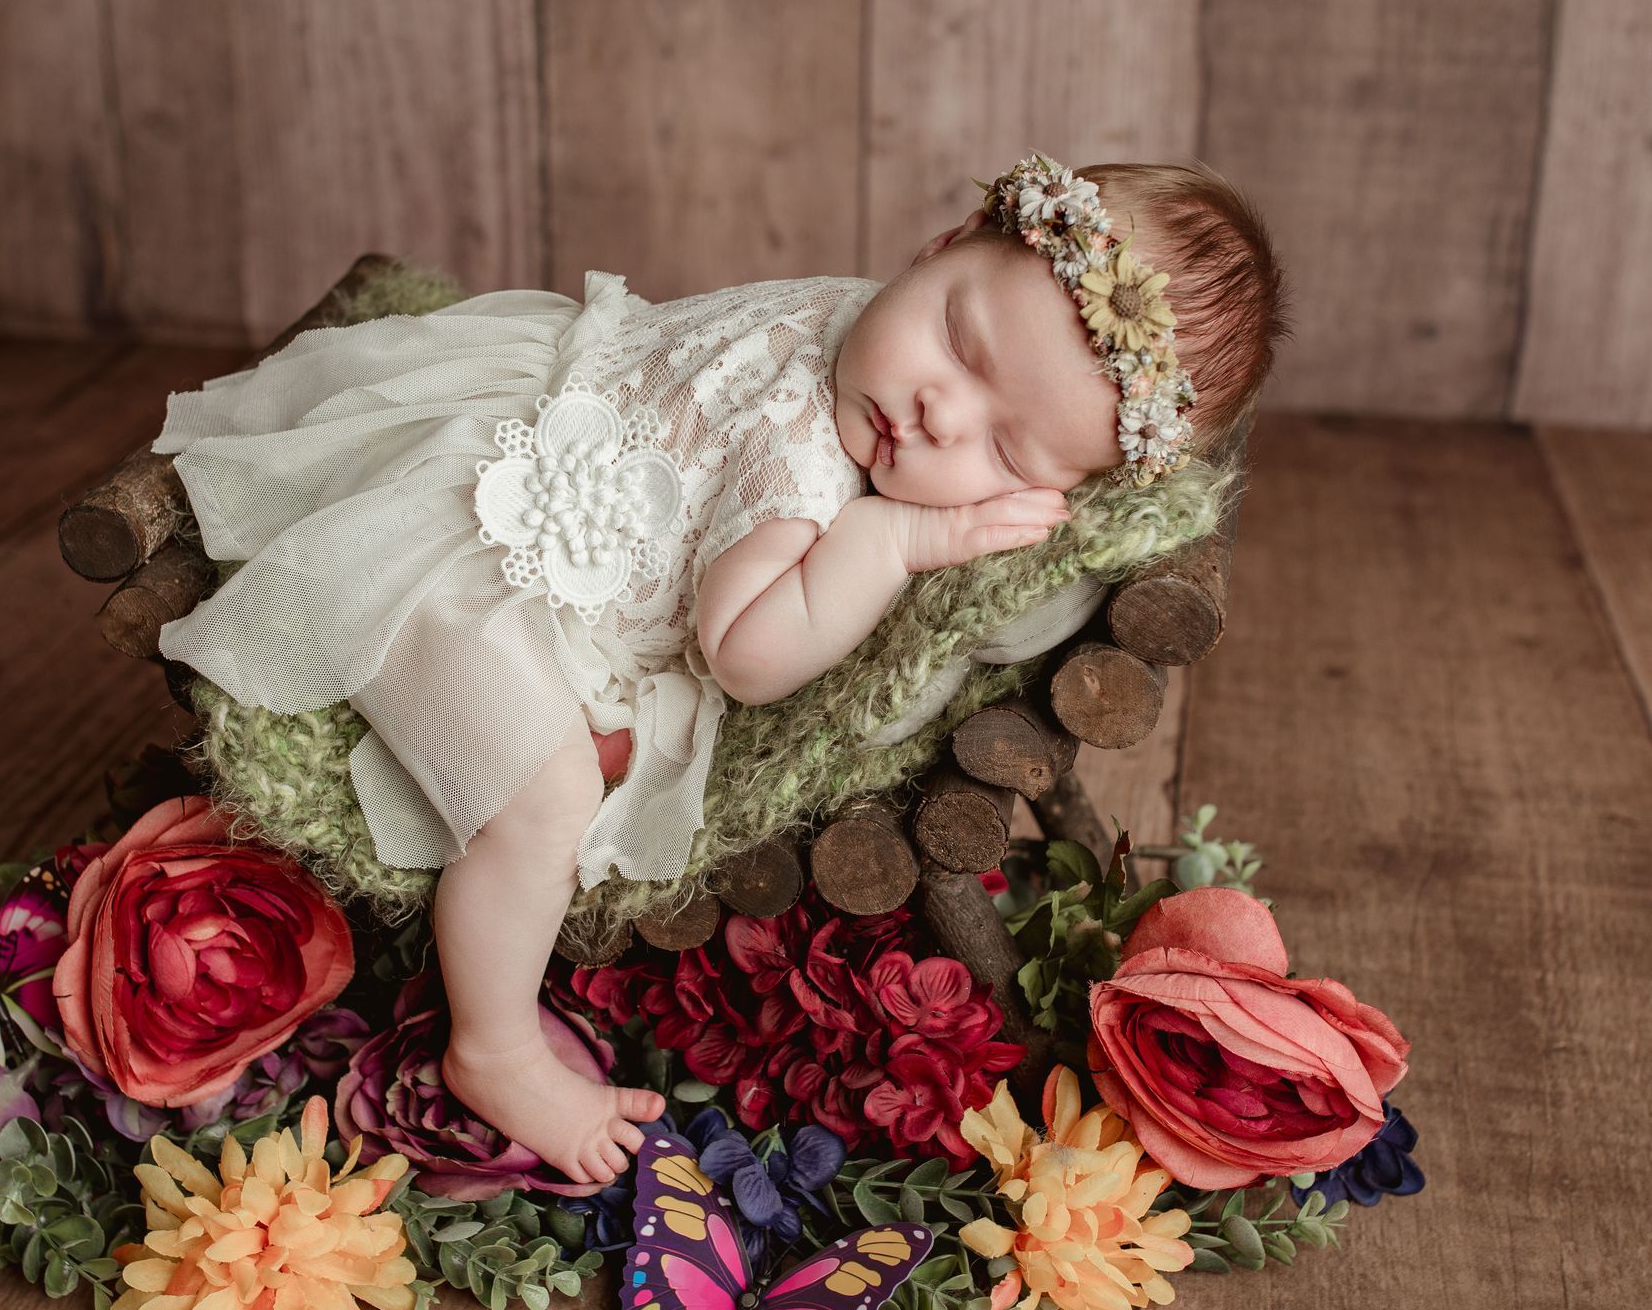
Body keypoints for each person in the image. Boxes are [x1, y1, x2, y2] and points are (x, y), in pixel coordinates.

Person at [150, 152, 1290, 1190]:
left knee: (558, 763)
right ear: (943, 245)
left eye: (1002, 451)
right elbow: (748, 656)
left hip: (529, 467)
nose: (942, 412)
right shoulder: (803, 461)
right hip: (459, 572)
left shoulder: (866, 327)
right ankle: (491, 1047)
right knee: (541, 803)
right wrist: (891, 542)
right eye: (961, 345)